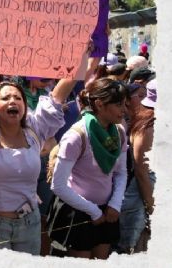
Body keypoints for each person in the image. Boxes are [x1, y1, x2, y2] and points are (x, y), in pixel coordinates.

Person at [0, 38, 77, 254]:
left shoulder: (36, 128)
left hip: (29, 224)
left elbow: (60, 93)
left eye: (18, 97)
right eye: (6, 98)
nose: (13, 101)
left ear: (24, 105)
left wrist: (84, 56)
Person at [49, 78, 129, 259]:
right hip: (79, 213)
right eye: (118, 104)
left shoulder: (119, 133)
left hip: (107, 212)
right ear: (100, 105)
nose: (124, 110)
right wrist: (92, 211)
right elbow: (58, 185)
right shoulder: (76, 136)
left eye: (124, 104)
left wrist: (115, 204)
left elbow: (121, 173)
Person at [118, 79, 156, 253]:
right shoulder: (148, 127)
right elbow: (142, 171)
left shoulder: (148, 121)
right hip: (140, 195)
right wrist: (151, 204)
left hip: (146, 193)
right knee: (133, 246)